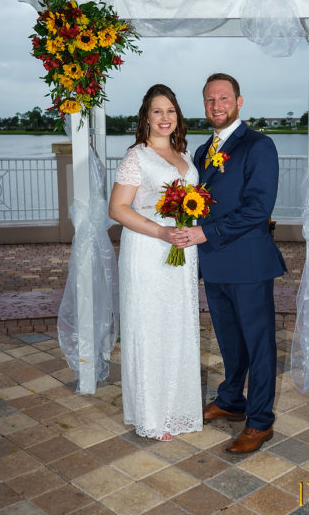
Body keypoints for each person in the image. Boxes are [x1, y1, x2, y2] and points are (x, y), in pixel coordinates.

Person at [174, 72, 287, 453]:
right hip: (213, 263)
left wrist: (205, 233)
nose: (216, 105)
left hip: (249, 264)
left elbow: (258, 208)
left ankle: (260, 421)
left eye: (224, 98)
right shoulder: (202, 150)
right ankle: (231, 400)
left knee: (259, 345)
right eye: (210, 99)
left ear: (239, 102)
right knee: (228, 340)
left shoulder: (259, 145)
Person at [108, 84, 202, 441]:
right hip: (148, 249)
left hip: (182, 249)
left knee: (176, 326)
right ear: (146, 117)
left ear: (178, 116)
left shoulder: (184, 153)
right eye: (158, 111)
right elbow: (117, 209)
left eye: (171, 110)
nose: (165, 117)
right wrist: (161, 232)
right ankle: (151, 415)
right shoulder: (137, 157)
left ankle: (176, 408)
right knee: (150, 327)